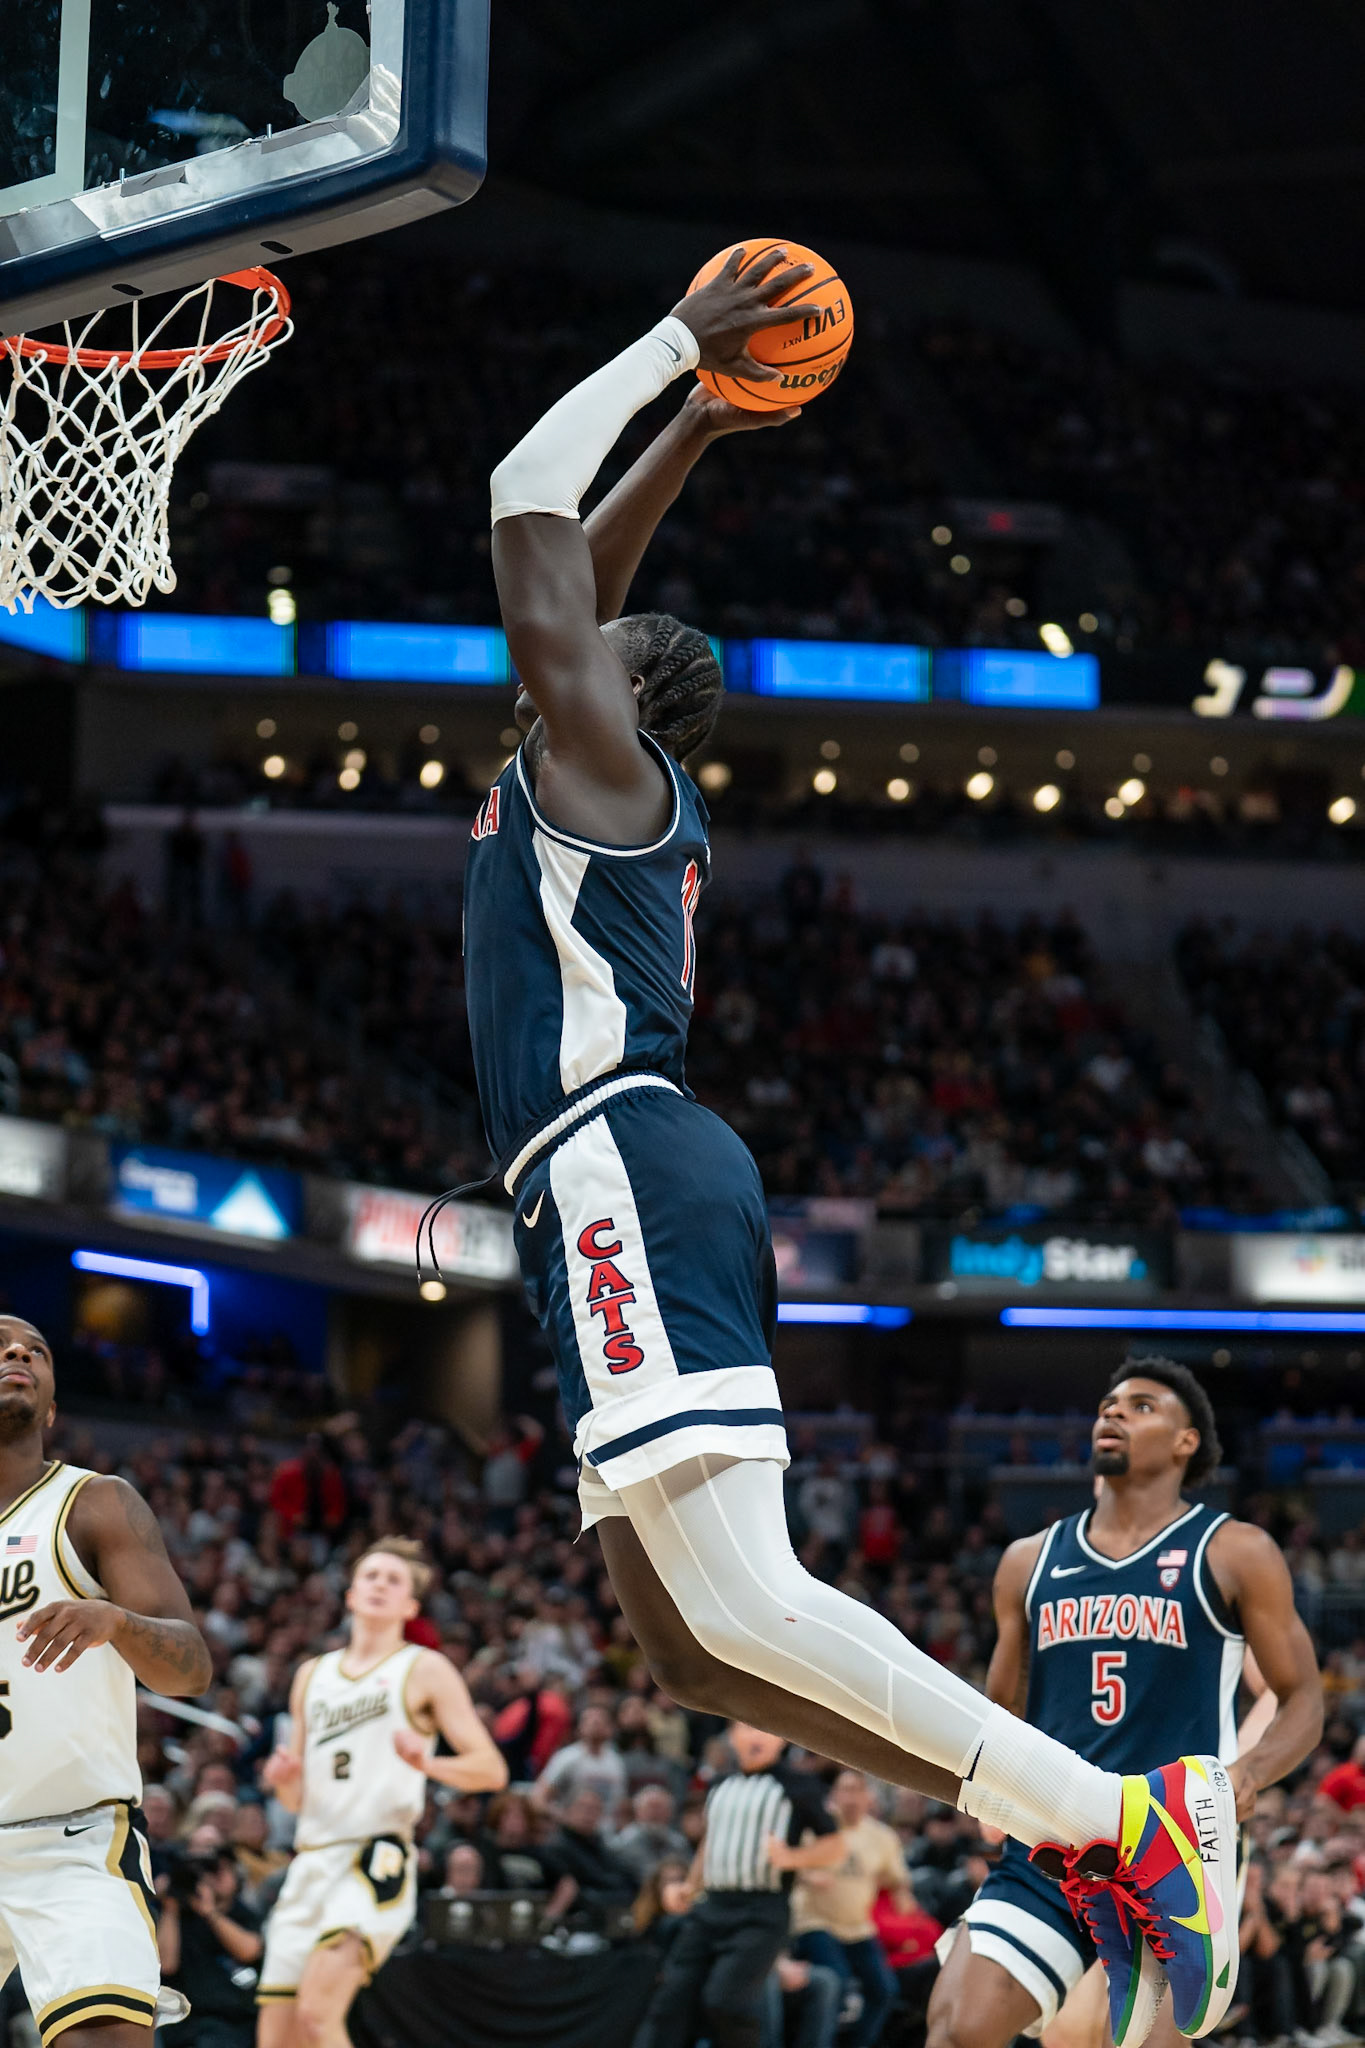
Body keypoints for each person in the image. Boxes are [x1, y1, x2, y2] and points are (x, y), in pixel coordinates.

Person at [461, 247, 1242, 2034]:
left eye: (592, 632)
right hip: (597, 1182)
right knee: (679, 1642)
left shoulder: (596, 772)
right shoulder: (587, 774)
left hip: (619, 1166)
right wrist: (707, 433)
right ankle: (1069, 1812)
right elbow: (593, 568)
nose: (572, 623)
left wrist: (676, 344)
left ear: (614, 686)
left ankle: (1115, 1822)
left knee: (751, 1591)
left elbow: (528, 506)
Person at [926, 1358, 1324, 2048]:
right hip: (1052, 1833)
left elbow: (1303, 1698)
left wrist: (1248, 1775)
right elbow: (998, 1715)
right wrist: (988, 1805)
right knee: (958, 2027)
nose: (1111, 1412)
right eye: (1108, 1403)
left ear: (1185, 1442)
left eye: (1140, 1406)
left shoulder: (1232, 1549)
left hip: (1170, 1841)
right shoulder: (1028, 1559)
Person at [0, 1315, 211, 2048]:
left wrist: (118, 1623)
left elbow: (189, 1668)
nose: (17, 1351)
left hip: (68, 1833)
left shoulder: (94, 1503)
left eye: (35, 1349)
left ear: (52, 1408)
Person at [255, 1537, 507, 2045]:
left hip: (375, 1857)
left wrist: (427, 1763)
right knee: (279, 2038)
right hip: (309, 1861)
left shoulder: (424, 1668)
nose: (379, 1585)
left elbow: (491, 1770)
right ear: (350, 1594)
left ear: (410, 1606)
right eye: (370, 1575)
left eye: (394, 1580)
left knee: (318, 2016)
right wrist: (283, 1782)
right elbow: (298, 1801)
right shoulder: (312, 1675)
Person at [636, 1723, 846, 2048]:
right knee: (670, 2000)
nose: (756, 1737)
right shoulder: (719, 1784)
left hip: (761, 1911)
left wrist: (791, 1857)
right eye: (747, 1728)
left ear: (781, 1738)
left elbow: (835, 1846)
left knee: (726, 2002)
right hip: (712, 1906)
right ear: (732, 1736)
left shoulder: (800, 1786)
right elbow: (711, 1843)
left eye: (766, 1730)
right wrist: (689, 1888)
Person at [791, 1770, 909, 2048]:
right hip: (815, 1921)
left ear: (869, 1796)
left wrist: (902, 1893)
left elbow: (897, 1877)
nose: (852, 1797)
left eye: (858, 1789)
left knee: (884, 1990)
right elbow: (785, 1865)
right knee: (836, 1983)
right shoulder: (816, 1828)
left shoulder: (882, 1836)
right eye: (845, 1789)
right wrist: (808, 1875)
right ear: (832, 1795)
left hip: (858, 1926)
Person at [158, 1845, 264, 2048]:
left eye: (219, 1870)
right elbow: (166, 1965)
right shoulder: (178, 1917)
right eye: (206, 1871)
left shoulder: (243, 1914)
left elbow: (249, 1950)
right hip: (190, 2026)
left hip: (238, 2023)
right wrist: (170, 1906)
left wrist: (210, 1913)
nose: (212, 1878)